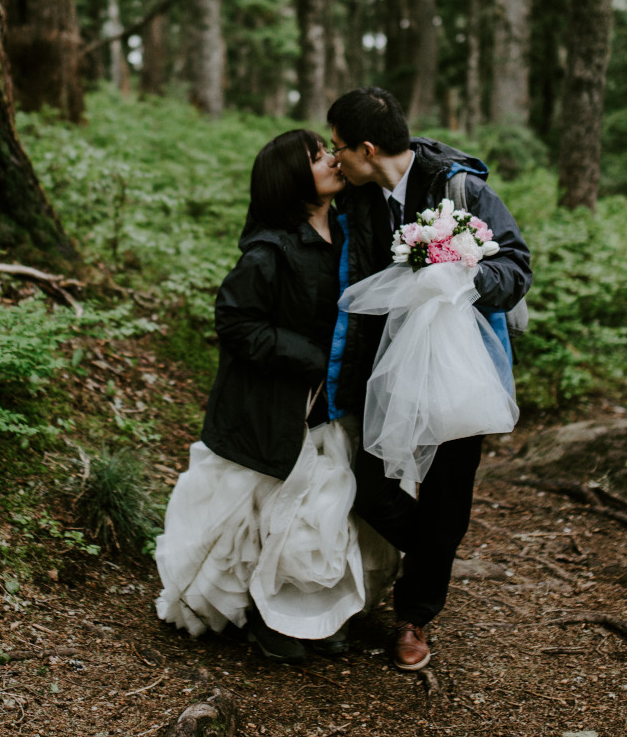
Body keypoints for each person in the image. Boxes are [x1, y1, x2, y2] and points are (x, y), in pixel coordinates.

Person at [155, 129, 396, 663]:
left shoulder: (351, 230)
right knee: (275, 511)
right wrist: (313, 357)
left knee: (331, 509)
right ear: (292, 179)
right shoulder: (269, 251)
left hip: (335, 406)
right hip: (275, 407)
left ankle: (312, 612)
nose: (331, 160)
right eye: (316, 157)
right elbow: (236, 323)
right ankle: (269, 620)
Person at [325, 86, 533, 671]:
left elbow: (515, 267)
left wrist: (461, 276)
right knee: (366, 482)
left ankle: (415, 616)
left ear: (368, 148)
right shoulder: (356, 199)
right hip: (377, 370)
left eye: (340, 148)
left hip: (455, 367)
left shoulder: (461, 188)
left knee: (446, 492)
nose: (335, 158)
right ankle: (435, 552)